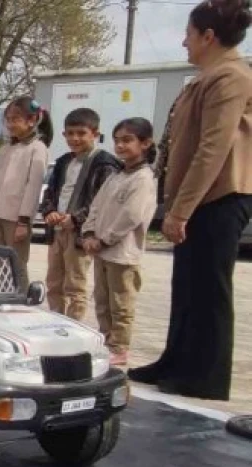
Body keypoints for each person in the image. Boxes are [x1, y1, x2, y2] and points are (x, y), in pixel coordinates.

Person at [129, 0, 252, 400]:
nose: (184, 41)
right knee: (186, 284)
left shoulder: (231, 76)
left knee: (209, 289)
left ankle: (206, 377)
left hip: (219, 196)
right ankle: (176, 361)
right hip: (196, 197)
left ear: (208, 36)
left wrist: (180, 209)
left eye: (188, 33)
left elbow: (213, 148)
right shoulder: (208, 76)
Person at [78, 118, 157, 367]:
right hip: (101, 250)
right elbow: (96, 205)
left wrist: (105, 238)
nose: (120, 145)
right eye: (117, 140)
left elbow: (132, 215)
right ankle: (106, 338)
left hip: (123, 253)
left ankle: (119, 346)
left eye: (127, 140)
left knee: (121, 302)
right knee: (102, 299)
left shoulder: (143, 178)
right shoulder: (117, 175)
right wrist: (89, 233)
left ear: (145, 143)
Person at [38, 107, 122, 320]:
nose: (75, 138)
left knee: (75, 285)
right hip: (57, 231)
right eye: (70, 133)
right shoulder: (64, 161)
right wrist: (50, 212)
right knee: (54, 282)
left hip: (80, 234)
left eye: (81, 133)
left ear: (95, 133)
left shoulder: (104, 164)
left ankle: (74, 327)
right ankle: (55, 322)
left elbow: (102, 201)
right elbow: (51, 191)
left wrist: (75, 219)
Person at [0, 96, 52, 289]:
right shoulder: (6, 149)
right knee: (1, 264)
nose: (11, 124)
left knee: (17, 265)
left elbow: (33, 187)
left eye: (16, 119)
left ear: (32, 120)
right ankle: (4, 299)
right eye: (8, 119)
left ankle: (20, 303)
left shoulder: (37, 148)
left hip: (16, 218)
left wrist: (24, 221)